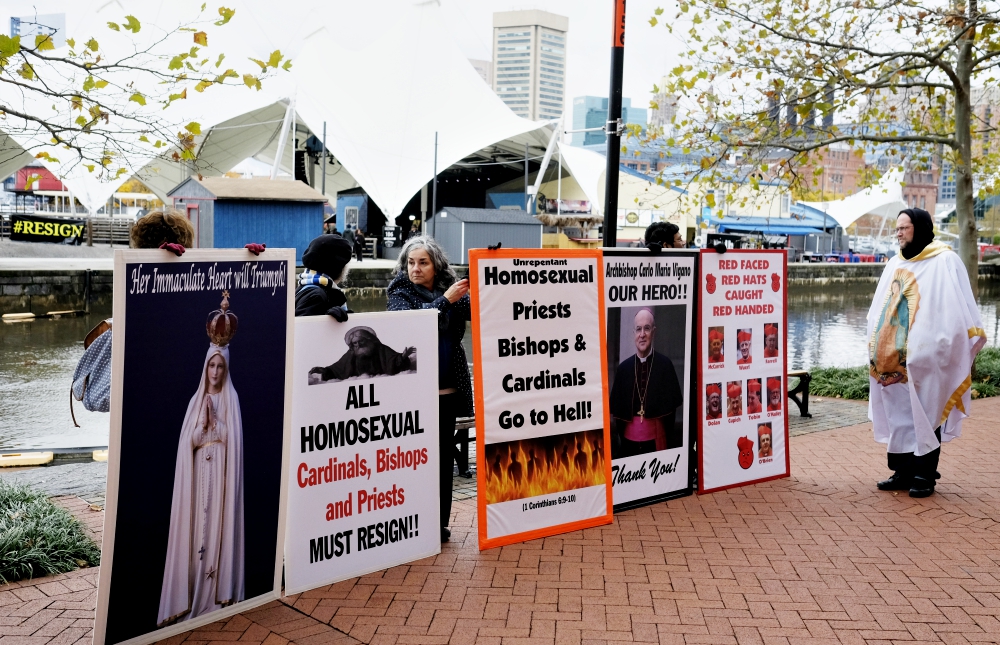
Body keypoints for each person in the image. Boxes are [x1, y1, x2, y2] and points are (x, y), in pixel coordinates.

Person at [71, 210, 264, 421]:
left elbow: (96, 398)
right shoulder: (209, 306)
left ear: (139, 247)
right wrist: (251, 268)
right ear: (188, 246)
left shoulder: (134, 317)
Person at [868, 207, 986, 498]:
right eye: (896, 229)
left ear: (918, 229)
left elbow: (957, 309)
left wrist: (939, 344)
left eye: (903, 228)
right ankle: (902, 471)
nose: (898, 233)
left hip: (929, 356)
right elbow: (880, 308)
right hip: (894, 356)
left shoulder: (945, 260)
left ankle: (924, 475)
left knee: (927, 410)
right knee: (900, 413)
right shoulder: (895, 263)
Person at [159, 291, 244, 625]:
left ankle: (215, 598)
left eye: (221, 366)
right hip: (197, 478)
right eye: (211, 364)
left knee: (217, 530)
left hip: (221, 475)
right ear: (205, 366)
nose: (215, 371)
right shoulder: (197, 401)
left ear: (226, 368)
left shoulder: (231, 400)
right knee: (197, 531)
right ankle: (191, 597)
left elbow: (233, 442)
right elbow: (187, 444)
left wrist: (218, 424)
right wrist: (203, 428)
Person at [386, 236, 472, 542]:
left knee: (442, 458)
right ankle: (413, 522)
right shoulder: (401, 290)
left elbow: (479, 311)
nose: (415, 268)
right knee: (413, 459)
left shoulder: (448, 288)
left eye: (423, 262)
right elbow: (404, 325)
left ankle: (439, 524)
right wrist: (445, 301)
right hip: (414, 392)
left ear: (436, 265)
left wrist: (484, 276)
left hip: (447, 391)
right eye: (410, 262)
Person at [609, 308, 683, 457]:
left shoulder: (665, 365)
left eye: (647, 329)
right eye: (638, 329)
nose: (642, 334)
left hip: (656, 442)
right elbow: (617, 417)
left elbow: (670, 416)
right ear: (634, 334)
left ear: (653, 332)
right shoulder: (624, 369)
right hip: (629, 444)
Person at [309, 326, 415, 382]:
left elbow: (393, 360)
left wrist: (403, 357)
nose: (358, 345)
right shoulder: (351, 354)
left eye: (361, 341)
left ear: (368, 339)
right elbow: (338, 368)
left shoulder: (380, 348)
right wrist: (325, 370)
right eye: (355, 343)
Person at [296, 234, 353, 319]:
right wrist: (326, 321)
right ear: (338, 268)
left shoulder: (304, 286)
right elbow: (301, 327)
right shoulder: (317, 296)